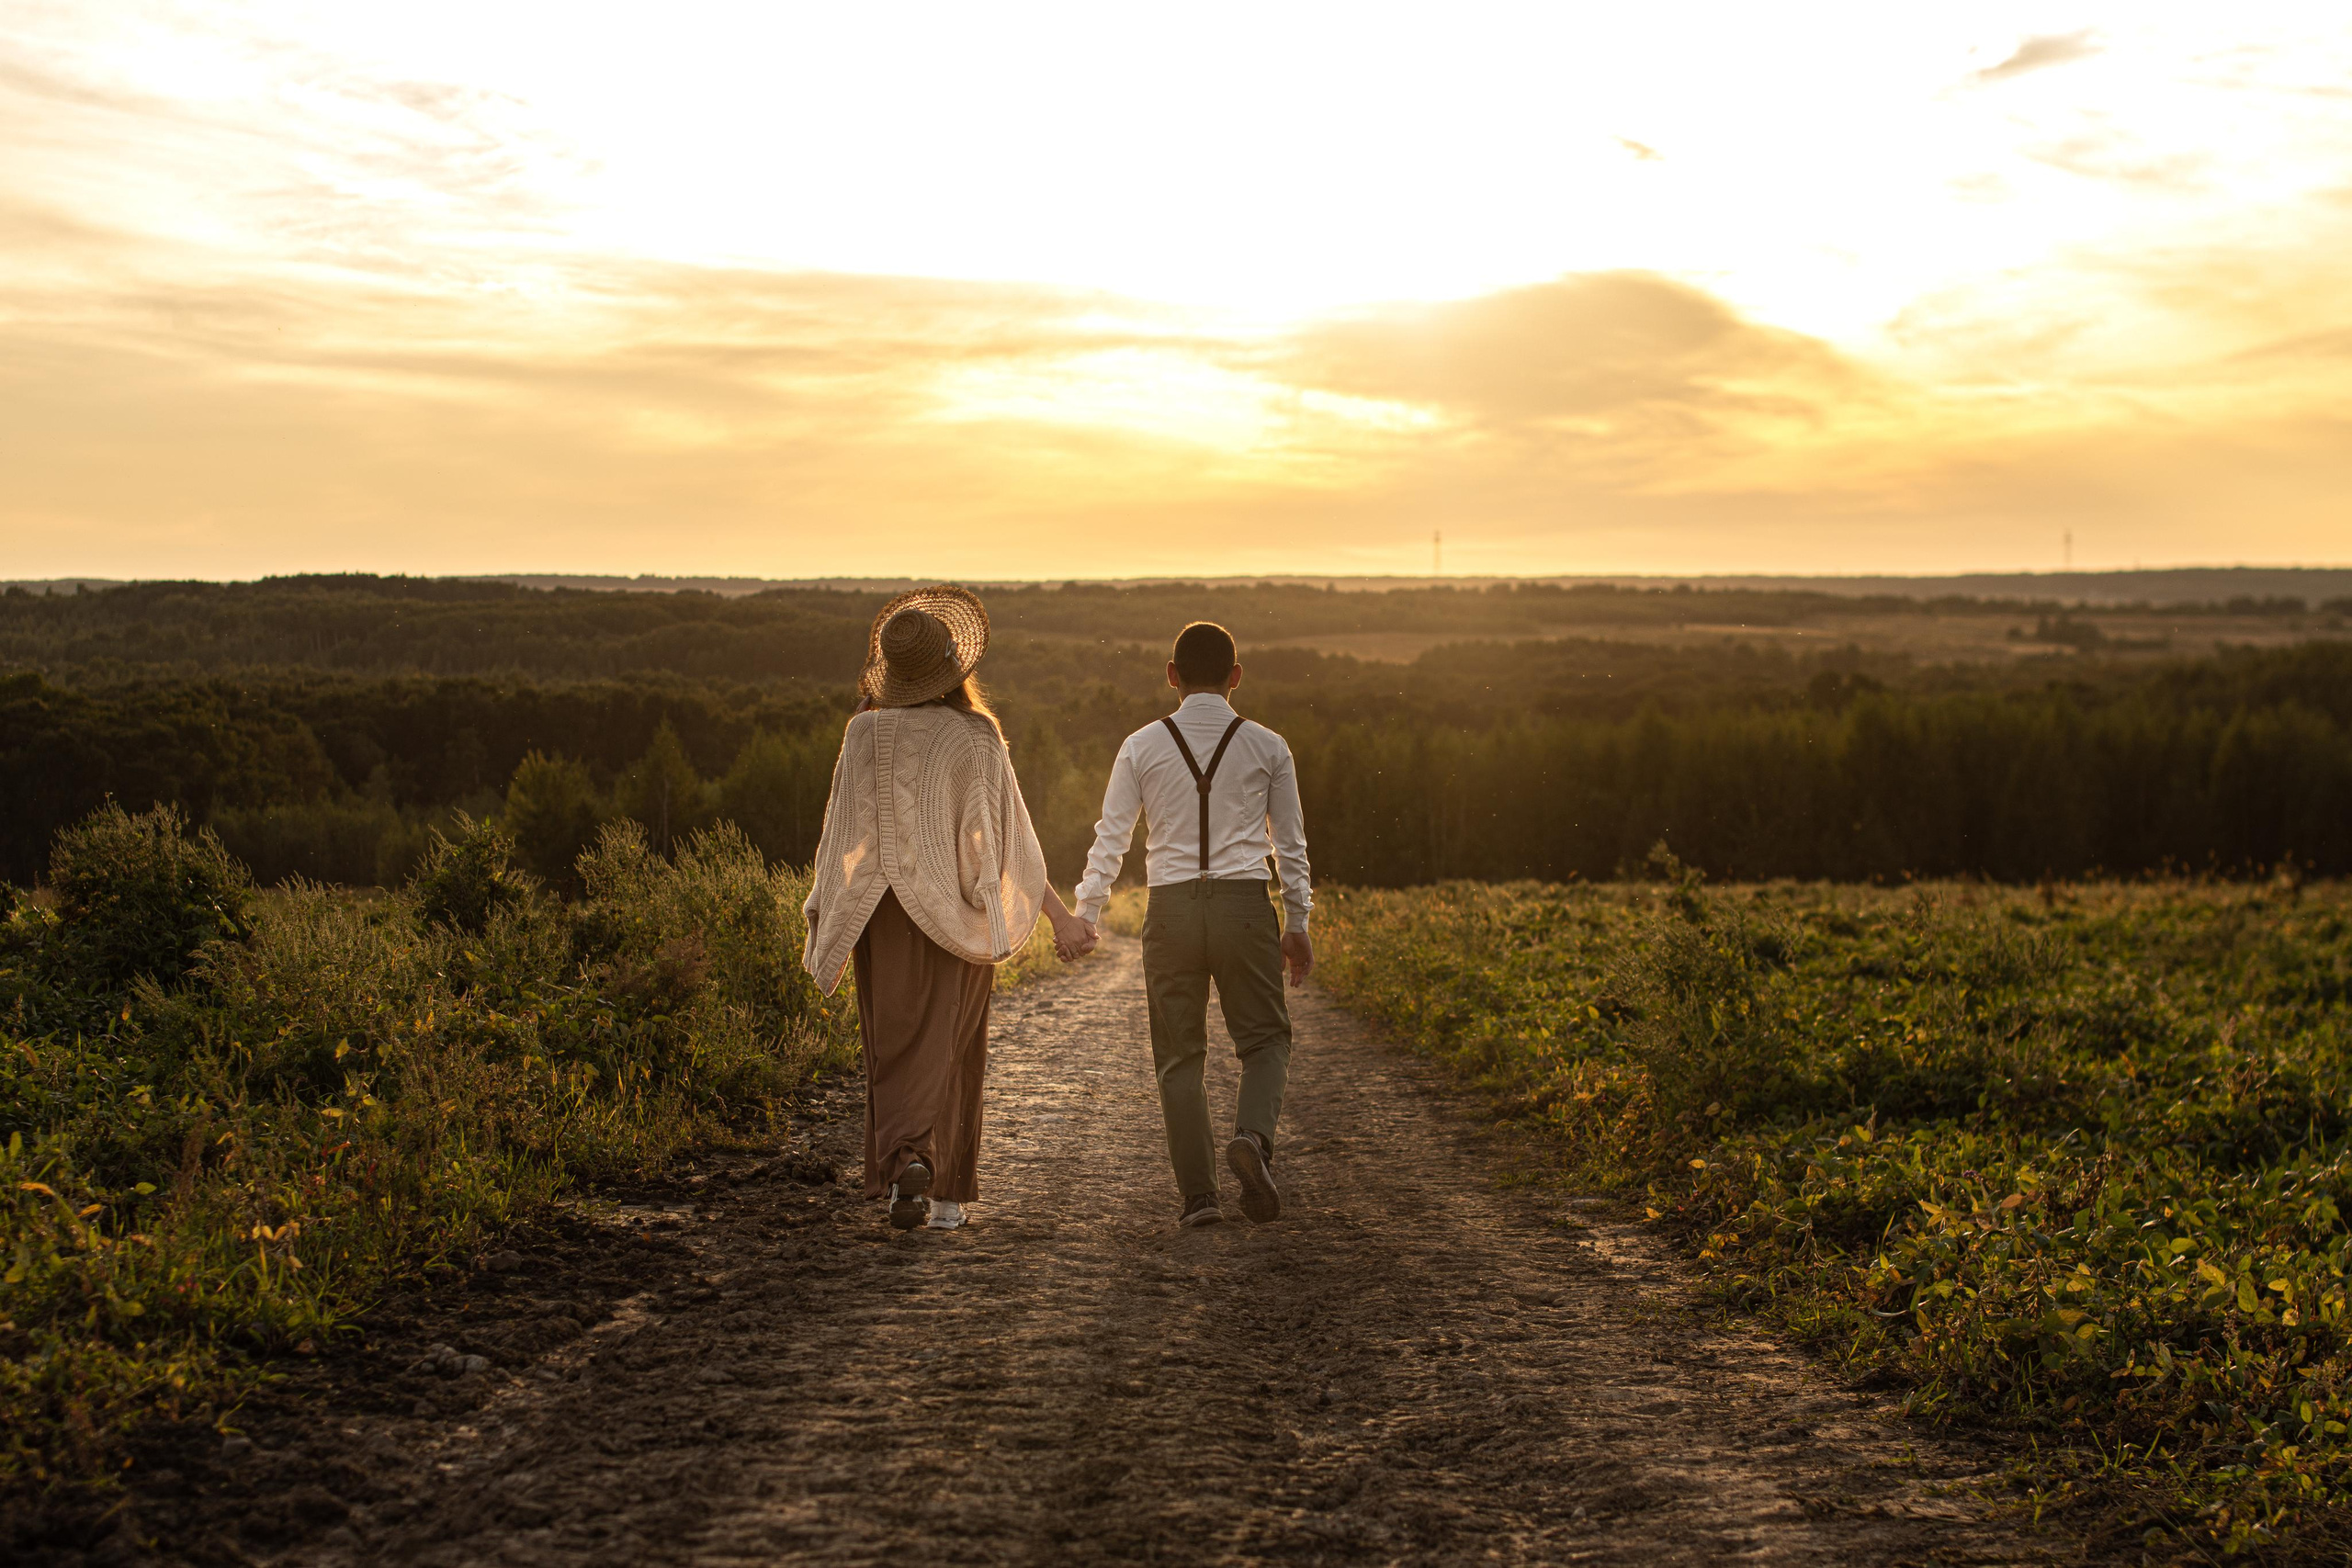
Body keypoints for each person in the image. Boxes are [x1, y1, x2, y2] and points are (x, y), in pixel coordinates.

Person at [801, 586, 1097, 1231]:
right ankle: (943, 1194)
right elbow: (1007, 846)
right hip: (960, 910)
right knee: (956, 1044)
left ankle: (907, 1165)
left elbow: (840, 839)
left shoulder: (863, 734)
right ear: (953, 667)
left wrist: (828, 909)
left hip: (880, 915)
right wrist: (1059, 917)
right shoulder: (977, 738)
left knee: (896, 1043)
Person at [1072, 621, 1313, 1228]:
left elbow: (1113, 836)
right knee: (1265, 1041)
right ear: (1235, 677)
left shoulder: (1140, 745)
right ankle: (1253, 1140)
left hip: (1172, 907)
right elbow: (1290, 843)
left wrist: (1088, 911)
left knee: (1179, 1056)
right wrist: (1299, 919)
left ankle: (1199, 1197)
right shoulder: (1268, 745)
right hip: (1242, 905)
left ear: (1171, 675)